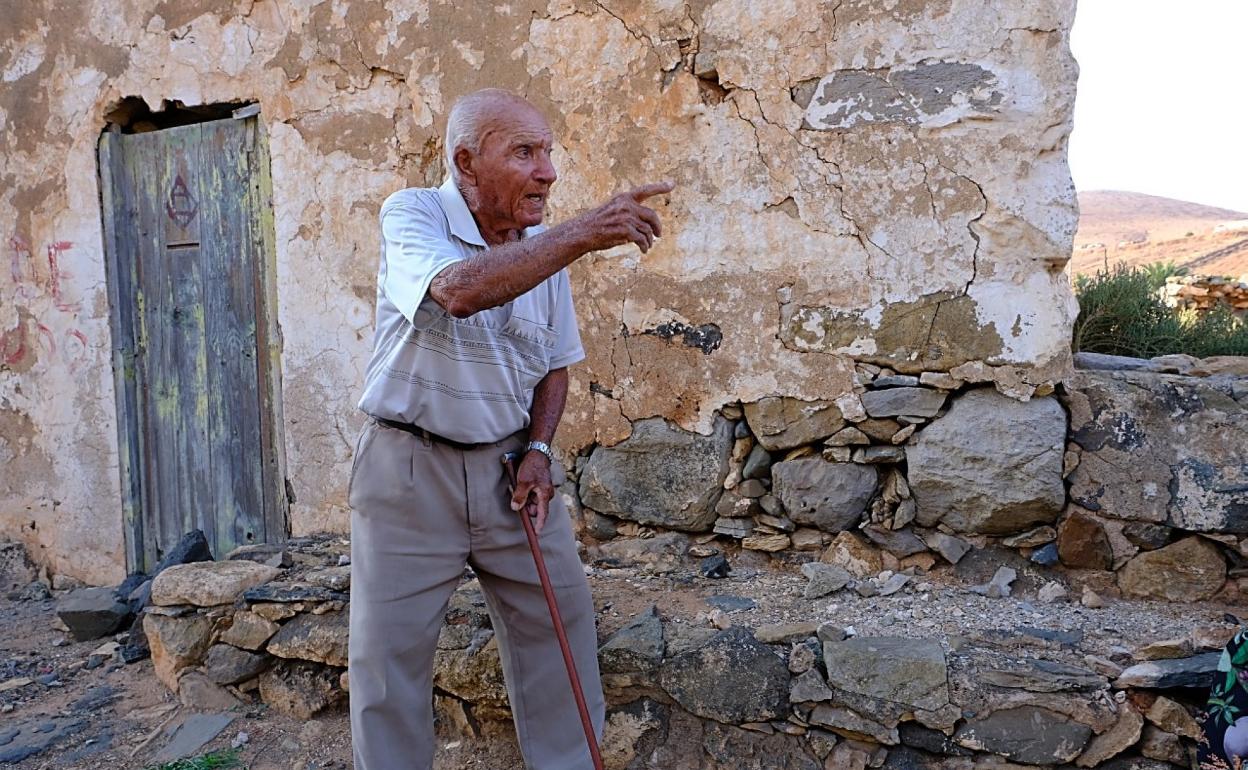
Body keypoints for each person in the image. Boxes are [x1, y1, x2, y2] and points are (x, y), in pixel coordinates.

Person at [347, 87, 673, 770]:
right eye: (525, 152)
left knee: (561, 627)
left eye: (547, 153)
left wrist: (539, 450)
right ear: (467, 162)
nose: (547, 172)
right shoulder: (414, 213)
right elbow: (458, 291)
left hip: (508, 472)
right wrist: (582, 233)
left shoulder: (541, 251)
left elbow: (554, 367)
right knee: (388, 659)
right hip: (410, 468)